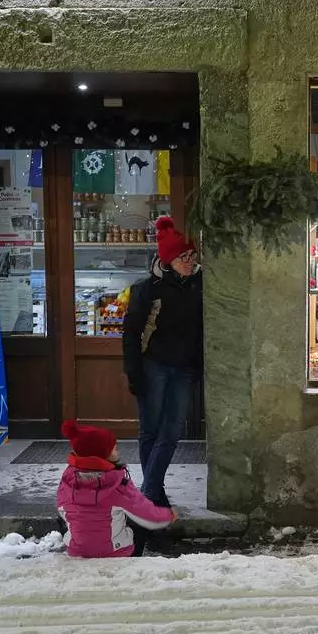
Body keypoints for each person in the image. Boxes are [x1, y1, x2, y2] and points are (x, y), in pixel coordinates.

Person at [122, 216, 203, 508]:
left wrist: (198, 368)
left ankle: (149, 494)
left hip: (183, 369)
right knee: (151, 430)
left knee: (172, 431)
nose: (189, 261)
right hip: (153, 366)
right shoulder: (147, 289)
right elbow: (130, 333)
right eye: (183, 256)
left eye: (192, 255)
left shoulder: (199, 286)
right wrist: (134, 373)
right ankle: (154, 496)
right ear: (168, 260)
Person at [55, 419, 177, 558]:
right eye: (113, 448)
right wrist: (168, 515)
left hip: (78, 551)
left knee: (68, 516)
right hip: (115, 552)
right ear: (102, 455)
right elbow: (147, 515)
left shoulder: (67, 482)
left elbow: (61, 510)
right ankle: (135, 557)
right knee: (135, 517)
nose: (117, 450)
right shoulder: (117, 484)